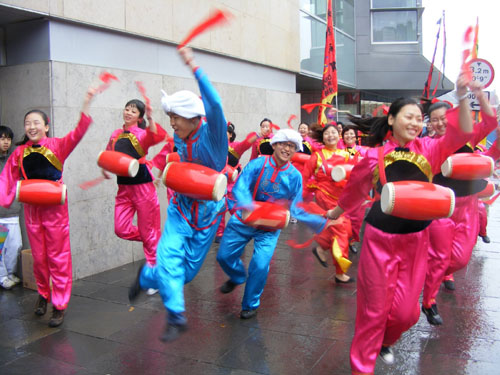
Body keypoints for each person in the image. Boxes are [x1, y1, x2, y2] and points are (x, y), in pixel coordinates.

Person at [326, 79, 473, 374]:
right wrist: (336, 211)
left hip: (416, 240)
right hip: (380, 239)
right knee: (373, 312)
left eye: (420, 118)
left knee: (407, 315)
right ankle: (362, 368)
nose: (416, 122)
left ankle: (386, 340)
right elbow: (355, 190)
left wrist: (470, 96)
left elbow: (463, 132)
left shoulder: (429, 150)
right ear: (392, 119)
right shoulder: (372, 155)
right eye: (409, 116)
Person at [128, 46, 228, 342]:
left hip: (208, 216)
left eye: (176, 117)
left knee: (183, 274)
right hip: (181, 210)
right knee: (169, 256)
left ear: (193, 117)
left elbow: (215, 105)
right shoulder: (180, 137)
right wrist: (161, 170)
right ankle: (176, 315)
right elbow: (172, 156)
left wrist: (194, 66)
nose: (172, 122)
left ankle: (146, 276)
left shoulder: (213, 136)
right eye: (170, 116)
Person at [0, 86, 98, 327]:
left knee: (58, 257)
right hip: (32, 211)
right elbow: (6, 179)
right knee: (40, 259)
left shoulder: (57, 146)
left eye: (36, 123)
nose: (31, 127)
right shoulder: (19, 153)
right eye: (27, 123)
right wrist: (5, 197)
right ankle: (43, 295)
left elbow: (78, 132)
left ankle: (59, 304)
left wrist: (86, 102)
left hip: (55, 211)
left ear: (46, 126)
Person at [216, 129, 327, 319]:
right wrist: (247, 206)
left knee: (260, 265)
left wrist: (319, 223)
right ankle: (237, 276)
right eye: (284, 144)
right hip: (244, 219)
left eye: (292, 146)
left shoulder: (295, 177)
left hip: (269, 227)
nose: (287, 149)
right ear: (275, 145)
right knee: (224, 256)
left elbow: (297, 207)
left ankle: (250, 304)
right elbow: (240, 186)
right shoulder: (258, 164)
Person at [421, 85, 498, 326]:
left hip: (467, 206)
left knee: (461, 258)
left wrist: (475, 93)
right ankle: (429, 301)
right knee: (440, 256)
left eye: (443, 118)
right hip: (439, 207)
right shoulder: (426, 145)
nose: (439, 124)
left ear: (453, 117)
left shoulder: (468, 136)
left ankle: (441, 271)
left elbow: (490, 119)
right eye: (434, 121)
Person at [104, 99, 165, 274]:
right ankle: (154, 238)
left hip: (143, 187)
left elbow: (157, 136)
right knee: (121, 229)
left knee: (149, 232)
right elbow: (109, 154)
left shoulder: (141, 133)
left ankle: (155, 272)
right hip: (123, 188)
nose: (128, 112)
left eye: (133, 111)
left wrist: (152, 119)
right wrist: (105, 168)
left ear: (139, 117)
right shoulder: (115, 134)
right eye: (127, 109)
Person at [301, 124, 353, 282]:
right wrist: (301, 195)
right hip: (324, 197)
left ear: (339, 135)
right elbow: (304, 177)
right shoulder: (317, 156)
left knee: (346, 230)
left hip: (341, 199)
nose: (331, 135)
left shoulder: (346, 155)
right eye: (327, 133)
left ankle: (321, 247)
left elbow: (354, 174)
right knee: (341, 231)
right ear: (322, 138)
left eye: (334, 132)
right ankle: (340, 272)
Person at [214, 122, 257, 243]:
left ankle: (238, 231)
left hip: (232, 184)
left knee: (236, 208)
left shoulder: (236, 146)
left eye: (225, 132)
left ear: (231, 134)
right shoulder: (216, 147)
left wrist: (255, 136)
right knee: (219, 208)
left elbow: (245, 144)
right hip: (219, 182)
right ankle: (219, 232)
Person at [0, 126, 23, 290]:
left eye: (8, 138)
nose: (6, 141)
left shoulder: (14, 160)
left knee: (15, 246)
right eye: (2, 138)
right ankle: (2, 277)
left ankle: (10, 273)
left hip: (13, 212)